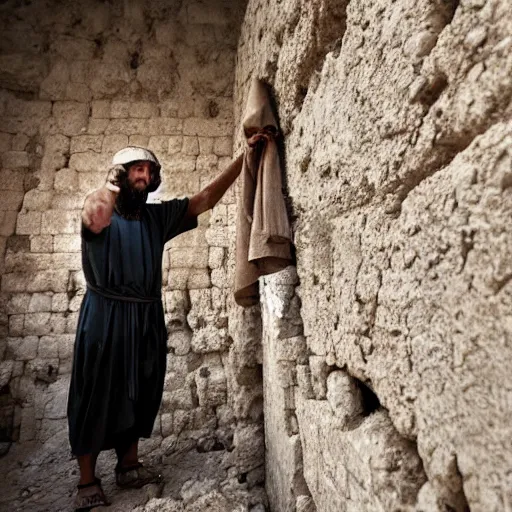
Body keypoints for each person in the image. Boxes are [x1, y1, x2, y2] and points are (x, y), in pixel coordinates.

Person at [67, 145, 243, 510]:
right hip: (104, 316)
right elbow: (95, 212)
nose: (144, 178)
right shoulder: (101, 210)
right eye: (137, 171)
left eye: (149, 172)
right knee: (95, 393)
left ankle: (129, 466)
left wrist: (245, 158)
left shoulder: (155, 218)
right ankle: (87, 480)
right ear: (120, 174)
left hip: (145, 318)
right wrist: (109, 188)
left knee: (141, 391)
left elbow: (206, 199)